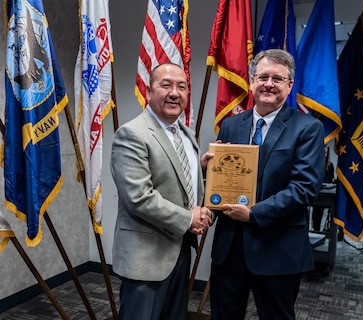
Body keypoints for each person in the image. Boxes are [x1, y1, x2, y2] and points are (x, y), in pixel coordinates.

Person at [209, 49, 326, 320]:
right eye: (263, 77)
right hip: (230, 249)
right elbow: (223, 178)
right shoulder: (230, 125)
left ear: (289, 85)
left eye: (277, 78)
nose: (269, 84)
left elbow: (304, 187)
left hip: (277, 248)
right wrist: (209, 172)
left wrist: (253, 214)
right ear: (251, 81)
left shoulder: (307, 128)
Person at [110, 62, 213, 320]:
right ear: (148, 91)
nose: (174, 93)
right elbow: (139, 197)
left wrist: (200, 171)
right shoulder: (132, 134)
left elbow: (180, 181)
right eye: (165, 85)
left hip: (179, 251)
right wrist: (190, 218)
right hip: (146, 256)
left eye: (181, 87)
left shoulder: (186, 134)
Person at [312, 144, 335, 231]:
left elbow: (331, 179)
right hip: (317, 192)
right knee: (317, 211)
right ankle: (316, 230)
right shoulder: (314, 163)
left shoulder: (330, 165)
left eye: (326, 151)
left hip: (327, 192)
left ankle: (328, 231)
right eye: (323, 151)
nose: (325, 152)